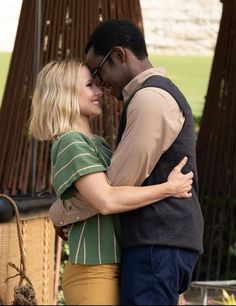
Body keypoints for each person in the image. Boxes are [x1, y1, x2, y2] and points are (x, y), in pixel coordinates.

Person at [29, 60, 193, 305]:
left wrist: (61, 212)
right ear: (64, 94)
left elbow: (96, 198)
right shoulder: (70, 142)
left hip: (116, 266)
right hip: (94, 272)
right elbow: (106, 200)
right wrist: (168, 188)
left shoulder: (98, 143)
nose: (98, 92)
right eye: (88, 85)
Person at [85, 19, 204, 305]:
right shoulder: (154, 94)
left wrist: (64, 211)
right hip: (163, 242)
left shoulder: (149, 99)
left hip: (156, 243)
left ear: (119, 55)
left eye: (98, 73)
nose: (100, 85)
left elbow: (115, 185)